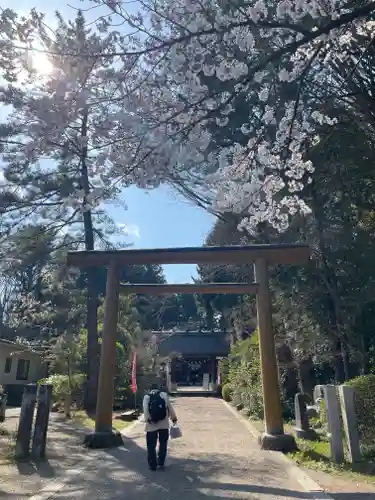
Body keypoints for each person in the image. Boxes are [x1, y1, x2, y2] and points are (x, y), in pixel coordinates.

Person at [143, 383, 177, 471]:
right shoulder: (164, 395)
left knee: (151, 446)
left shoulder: (147, 397)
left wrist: (148, 420)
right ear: (158, 388)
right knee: (163, 443)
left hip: (151, 425)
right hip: (164, 424)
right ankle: (161, 461)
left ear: (149, 389)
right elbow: (170, 408)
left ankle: (152, 465)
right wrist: (174, 419)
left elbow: (146, 410)